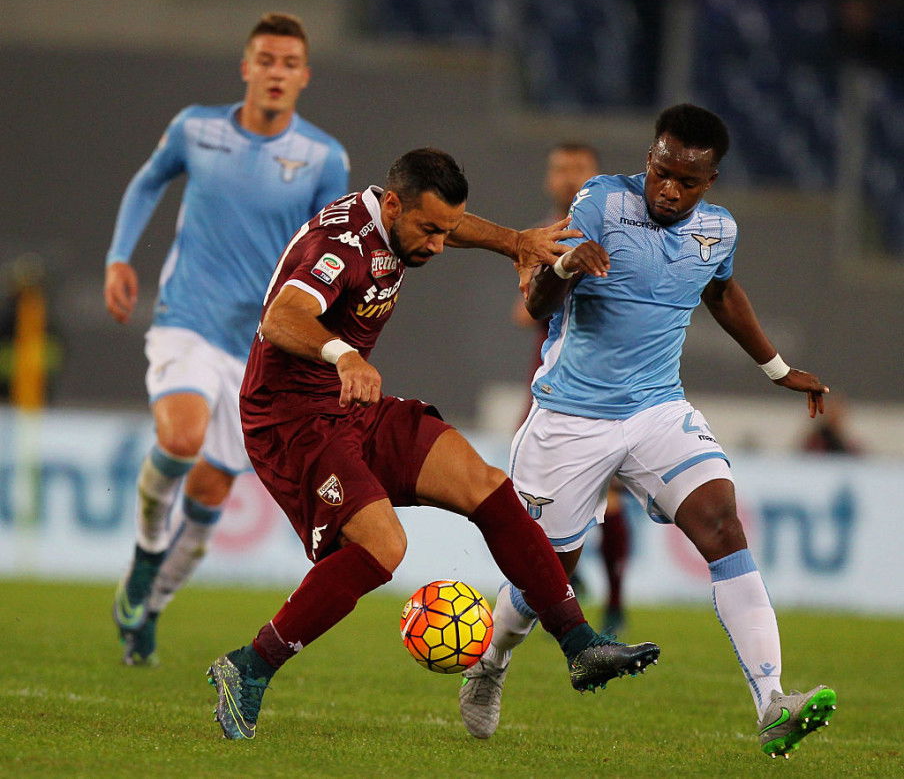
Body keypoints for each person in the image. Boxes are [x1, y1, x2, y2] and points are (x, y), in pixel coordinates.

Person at [205, 148, 661, 740]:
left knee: (487, 485)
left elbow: (448, 220)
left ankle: (579, 644)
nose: (438, 245)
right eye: (428, 230)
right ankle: (249, 667)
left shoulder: (404, 217)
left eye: (445, 230)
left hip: (349, 405)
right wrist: (343, 353)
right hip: (291, 418)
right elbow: (280, 319)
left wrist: (514, 242)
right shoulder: (340, 244)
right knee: (383, 547)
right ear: (392, 205)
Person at [458, 105, 838, 759]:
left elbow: (721, 292)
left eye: (685, 182)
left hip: (657, 409)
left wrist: (776, 369)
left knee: (723, 525)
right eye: (660, 171)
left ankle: (773, 703)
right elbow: (539, 302)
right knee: (550, 571)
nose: (667, 188)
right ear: (651, 157)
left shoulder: (719, 230)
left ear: (709, 181)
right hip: (570, 416)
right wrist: (568, 268)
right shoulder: (602, 202)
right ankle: (490, 662)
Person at [104, 12, 350, 667]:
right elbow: (148, 179)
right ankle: (145, 554)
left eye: (288, 63)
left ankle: (149, 609)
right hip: (187, 319)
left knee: (211, 493)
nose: (275, 72)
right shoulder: (197, 127)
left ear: (304, 76)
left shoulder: (324, 158)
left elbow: (331, 251)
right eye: (265, 60)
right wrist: (120, 257)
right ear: (246, 67)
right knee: (179, 438)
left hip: (259, 351)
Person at [512, 142, 631, 634]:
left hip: (607, 381)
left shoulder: (615, 229)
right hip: (550, 379)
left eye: (577, 168)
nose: (566, 177)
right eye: (559, 167)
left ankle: (615, 601)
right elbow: (523, 313)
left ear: (597, 176)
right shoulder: (545, 234)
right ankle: (565, 582)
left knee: (613, 494)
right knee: (533, 501)